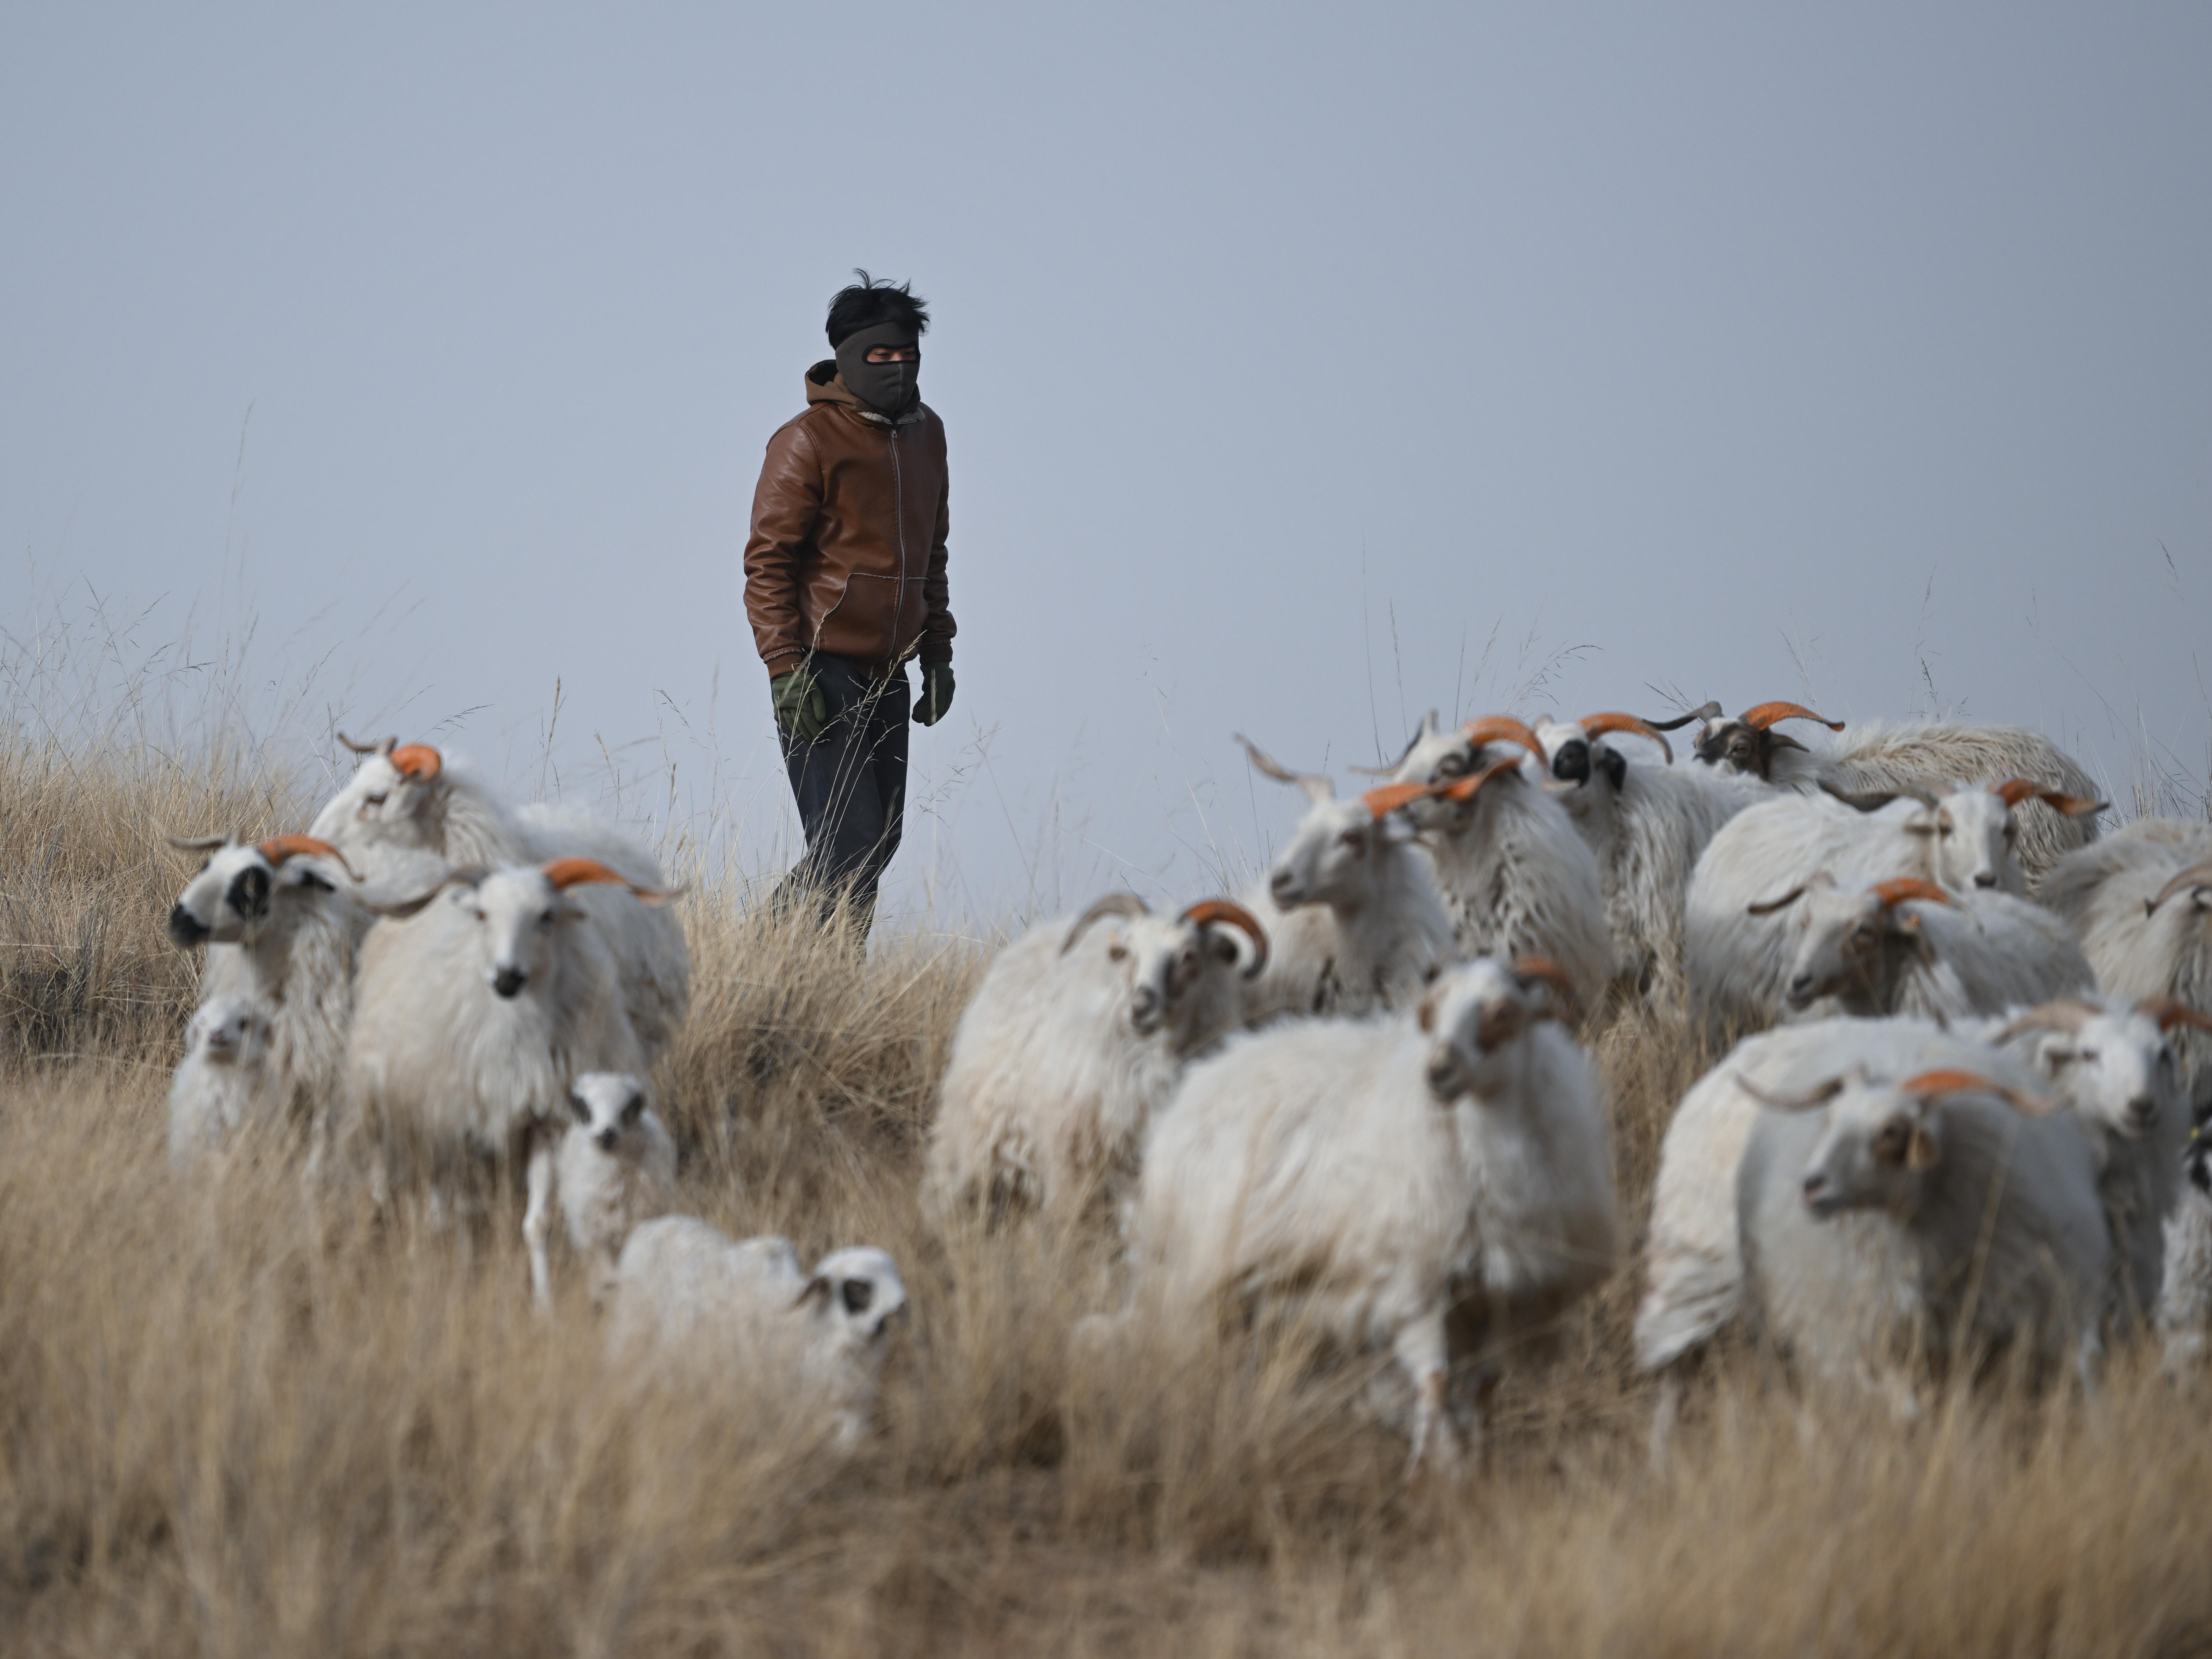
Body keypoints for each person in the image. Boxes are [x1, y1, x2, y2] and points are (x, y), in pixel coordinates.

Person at [742, 272, 955, 938]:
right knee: (849, 843)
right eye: (879, 358)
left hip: (890, 670)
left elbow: (933, 554)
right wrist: (784, 665)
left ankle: (830, 981)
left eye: (907, 355)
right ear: (845, 358)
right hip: (821, 672)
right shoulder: (806, 440)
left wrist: (939, 653)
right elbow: (768, 560)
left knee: (878, 844)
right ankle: (765, 955)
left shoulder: (928, 436)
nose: (896, 368)